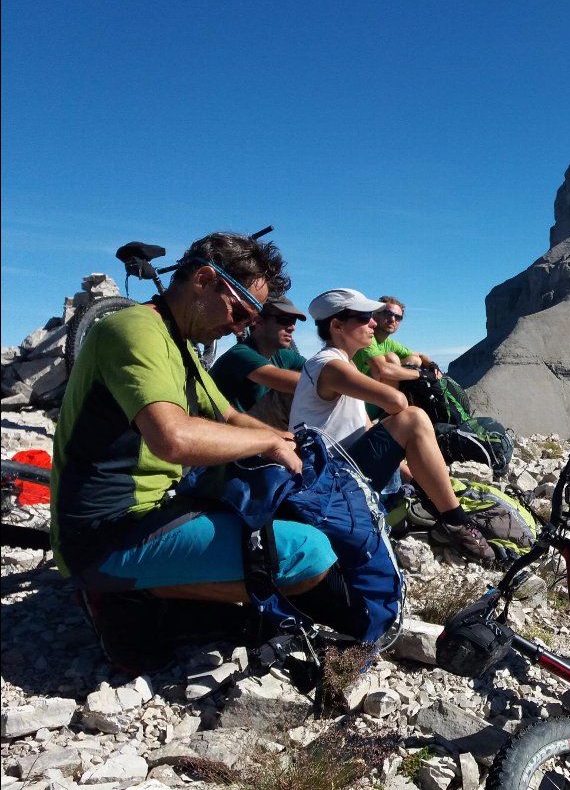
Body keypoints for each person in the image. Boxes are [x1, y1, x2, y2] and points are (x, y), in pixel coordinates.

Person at [51, 232, 348, 671]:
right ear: (205, 280)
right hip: (105, 534)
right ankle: (124, 592)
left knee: (283, 521)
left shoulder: (178, 343)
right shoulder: (133, 329)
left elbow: (227, 416)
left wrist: (292, 443)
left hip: (150, 513)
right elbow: (173, 438)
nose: (242, 327)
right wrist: (268, 441)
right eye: (241, 310)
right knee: (307, 552)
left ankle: (157, 592)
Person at [289, 288, 493, 561]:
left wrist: (410, 470)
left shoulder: (341, 363)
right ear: (337, 325)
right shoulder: (329, 365)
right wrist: (418, 376)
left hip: (336, 468)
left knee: (409, 429)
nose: (373, 322)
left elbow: (362, 430)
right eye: (364, 317)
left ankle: (441, 506)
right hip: (327, 477)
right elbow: (396, 402)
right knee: (413, 417)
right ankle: (456, 521)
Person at [209, 296, 307, 431]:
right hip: (227, 432)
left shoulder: (283, 355)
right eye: (284, 320)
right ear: (259, 321)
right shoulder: (240, 355)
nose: (292, 328)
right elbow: (299, 383)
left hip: (254, 429)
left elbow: (317, 370)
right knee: (295, 390)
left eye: (293, 321)